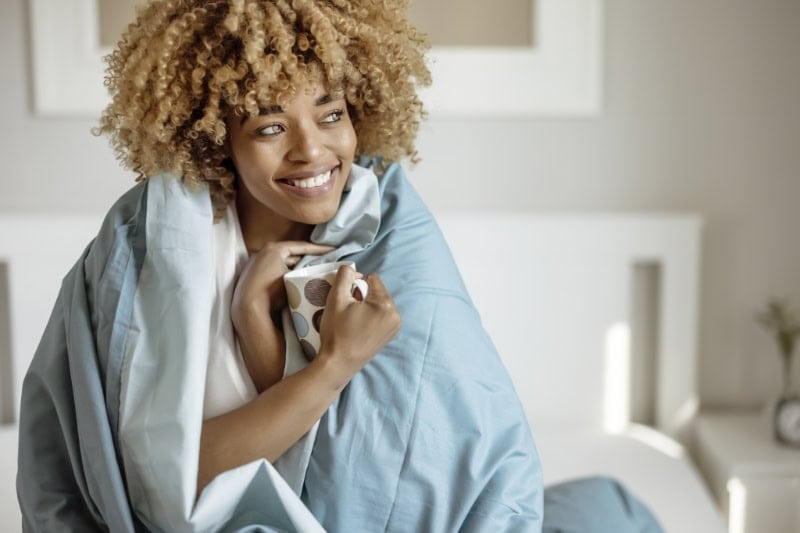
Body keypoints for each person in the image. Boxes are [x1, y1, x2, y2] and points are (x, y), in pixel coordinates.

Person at [17, 1, 544, 531]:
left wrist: (260, 339)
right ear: (217, 139)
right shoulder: (153, 248)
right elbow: (166, 486)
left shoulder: (391, 231)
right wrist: (328, 363)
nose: (312, 151)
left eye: (331, 114)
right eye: (270, 127)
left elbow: (416, 467)